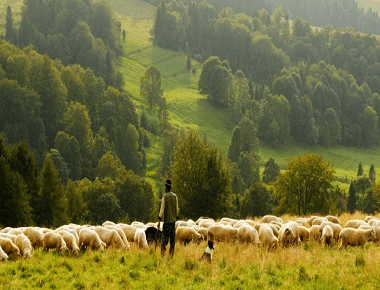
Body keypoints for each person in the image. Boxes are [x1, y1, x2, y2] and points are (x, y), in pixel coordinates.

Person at [157, 179, 179, 257]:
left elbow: (162, 210)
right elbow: (177, 209)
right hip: (173, 223)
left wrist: (159, 220)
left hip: (166, 223)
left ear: (166, 187)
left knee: (163, 242)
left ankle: (163, 257)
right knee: (172, 241)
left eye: (164, 186)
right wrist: (175, 216)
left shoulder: (164, 197)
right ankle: (171, 256)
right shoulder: (175, 196)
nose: (164, 188)